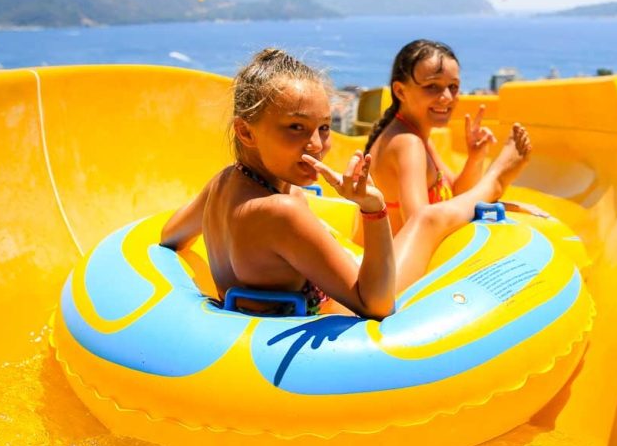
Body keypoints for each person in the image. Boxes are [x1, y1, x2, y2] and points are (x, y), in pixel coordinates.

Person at [160, 48, 530, 320]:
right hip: (340, 338)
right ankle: (495, 180)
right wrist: (373, 208)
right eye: (295, 128)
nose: (316, 145)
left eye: (324, 128)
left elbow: (171, 235)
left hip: (268, 324)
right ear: (246, 131)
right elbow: (377, 304)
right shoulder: (281, 212)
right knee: (426, 220)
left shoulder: (223, 183)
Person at [364, 39, 531, 235]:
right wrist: (495, 179)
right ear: (400, 91)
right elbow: (419, 227)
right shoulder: (407, 143)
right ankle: (497, 179)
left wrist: (475, 158)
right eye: (432, 86)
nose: (447, 97)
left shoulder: (417, 136)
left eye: (453, 86)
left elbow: (456, 193)